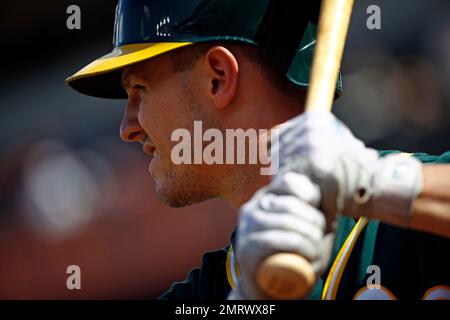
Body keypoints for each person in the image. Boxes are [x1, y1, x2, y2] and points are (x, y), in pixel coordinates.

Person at [66, 0, 450, 300]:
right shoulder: (208, 296)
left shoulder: (417, 218)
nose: (126, 128)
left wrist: (377, 185)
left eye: (139, 90)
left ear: (218, 78)